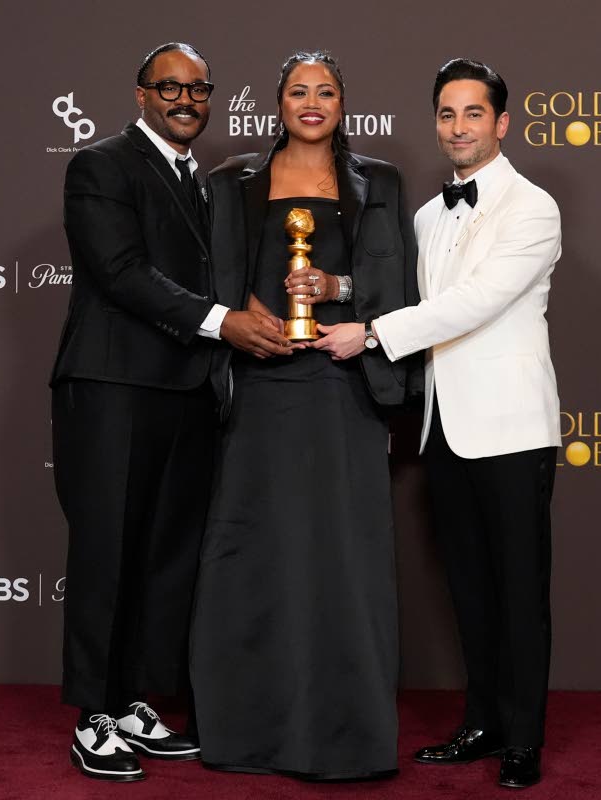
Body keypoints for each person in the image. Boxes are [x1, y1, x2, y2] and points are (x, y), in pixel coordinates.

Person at [316, 58, 563, 790]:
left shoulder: (533, 207)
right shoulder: (426, 214)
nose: (459, 127)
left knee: (520, 590)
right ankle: (483, 720)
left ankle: (524, 737)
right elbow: (410, 289)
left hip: (513, 430)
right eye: (447, 115)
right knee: (470, 589)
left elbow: (472, 303)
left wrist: (371, 333)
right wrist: (341, 288)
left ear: (502, 122)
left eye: (473, 114)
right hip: (443, 427)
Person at [50, 41, 291, 782]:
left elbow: (209, 271)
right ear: (141, 95)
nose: (186, 101)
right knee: (106, 552)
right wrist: (224, 322)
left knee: (162, 555)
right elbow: (121, 273)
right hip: (113, 387)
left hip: (187, 389)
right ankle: (93, 714)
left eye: (198, 90)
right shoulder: (100, 164)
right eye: (170, 89)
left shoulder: (205, 182)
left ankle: (131, 701)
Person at [189, 50, 421, 780]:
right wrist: (238, 314)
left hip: (342, 390)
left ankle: (345, 737)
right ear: (278, 103)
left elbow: (394, 279)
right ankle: (244, 732)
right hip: (259, 391)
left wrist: (335, 283)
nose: (312, 103)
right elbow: (205, 276)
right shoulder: (233, 181)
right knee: (256, 556)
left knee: (340, 558)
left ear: (343, 103)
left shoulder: (377, 180)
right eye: (298, 92)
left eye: (325, 92)